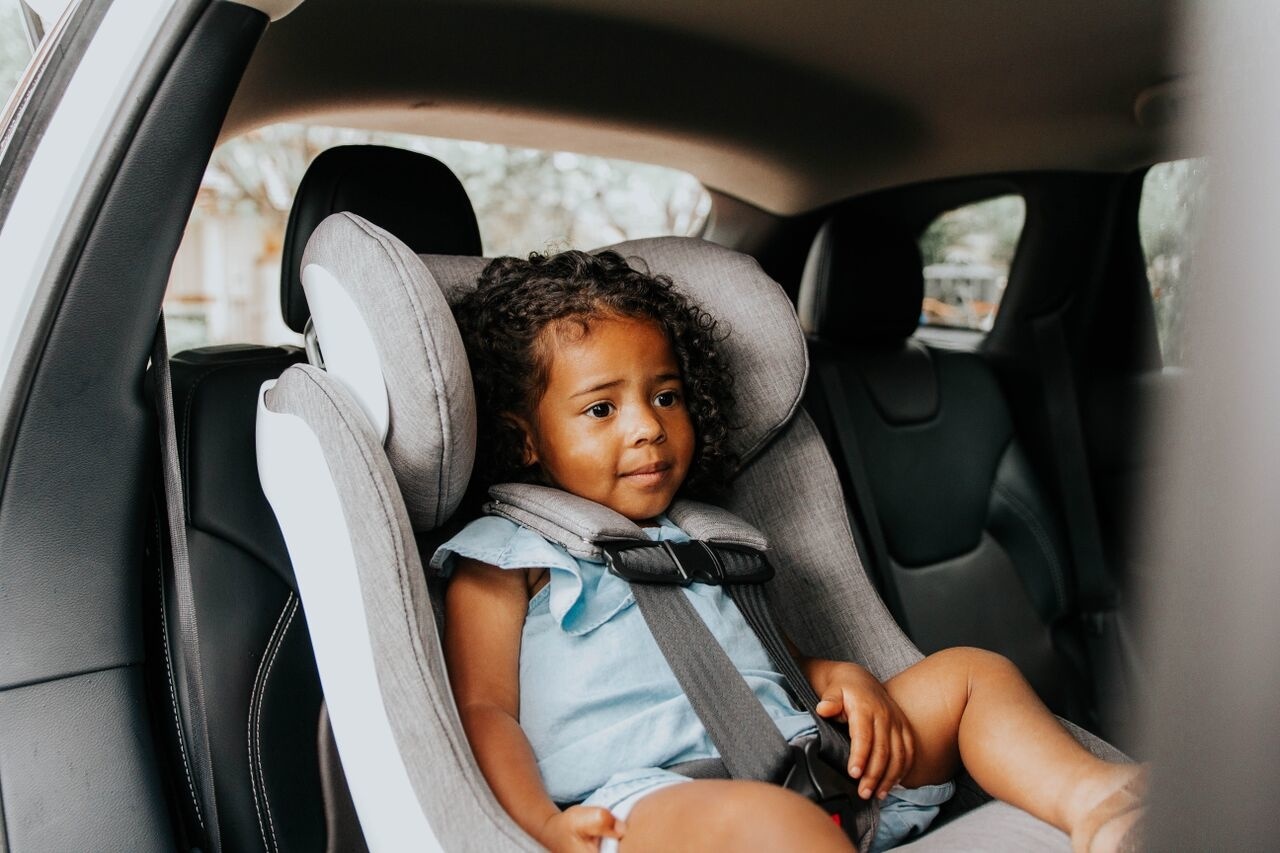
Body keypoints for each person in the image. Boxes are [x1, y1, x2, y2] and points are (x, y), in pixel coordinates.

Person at [435, 250, 1144, 853]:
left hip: (809, 757)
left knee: (968, 676)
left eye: (667, 396)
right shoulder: (504, 555)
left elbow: (767, 659)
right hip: (655, 800)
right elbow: (486, 710)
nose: (648, 428)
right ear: (526, 436)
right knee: (761, 821)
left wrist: (846, 676)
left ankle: (1096, 801)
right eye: (601, 409)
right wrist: (539, 824)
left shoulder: (709, 539)